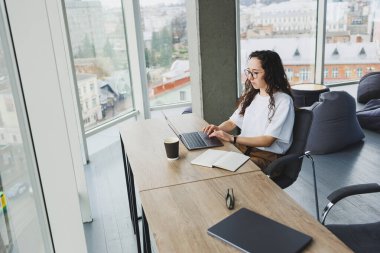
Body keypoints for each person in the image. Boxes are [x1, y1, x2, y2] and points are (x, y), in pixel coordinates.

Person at [203, 50, 295, 172]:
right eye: (249, 72)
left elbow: (267, 141)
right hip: (242, 148)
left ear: (270, 73)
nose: (250, 77)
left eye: (255, 73)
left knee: (225, 171)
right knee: (210, 161)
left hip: (264, 156)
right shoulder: (251, 96)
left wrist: (232, 138)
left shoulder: (283, 101)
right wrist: (217, 129)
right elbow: (232, 123)